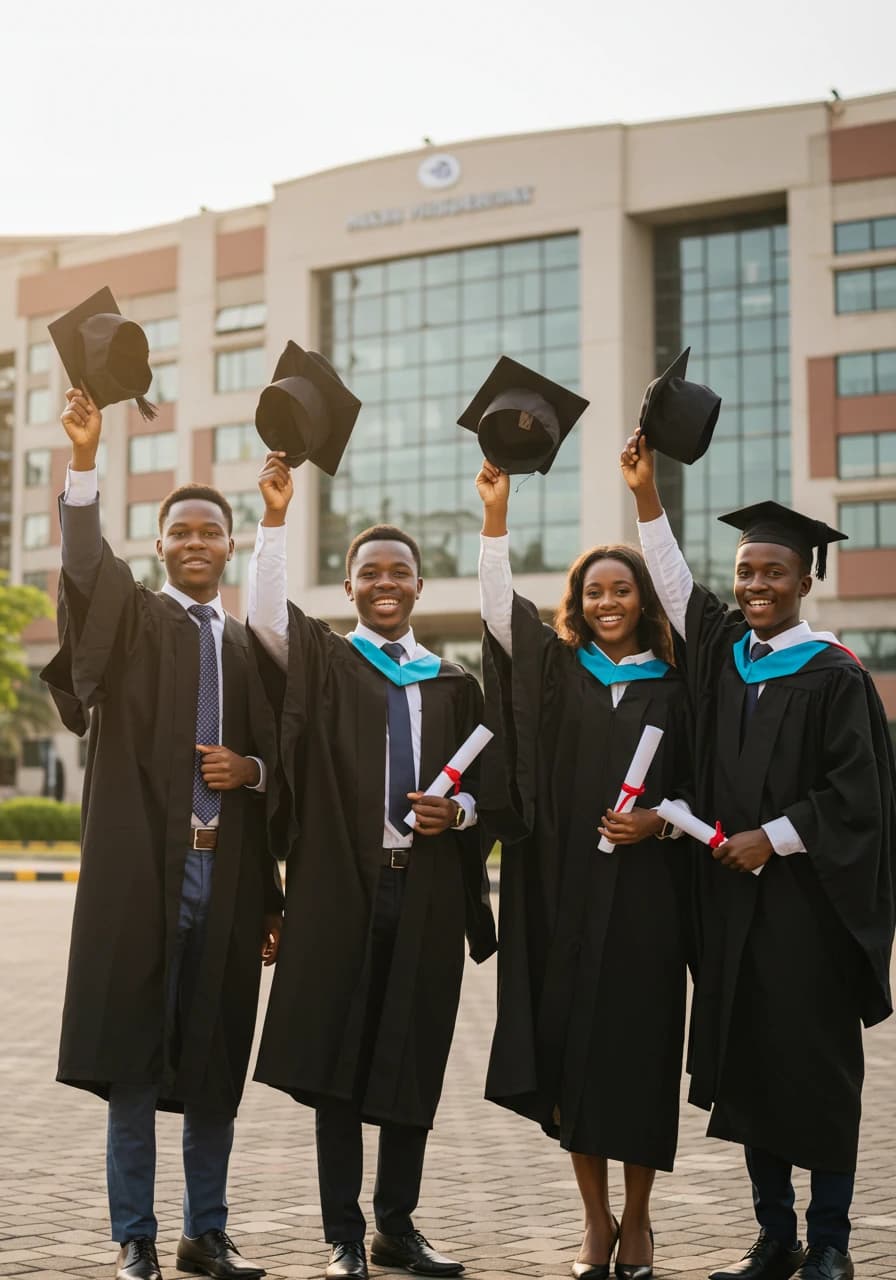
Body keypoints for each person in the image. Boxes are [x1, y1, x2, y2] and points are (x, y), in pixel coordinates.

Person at [621, 431, 896, 1280]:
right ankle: (775, 1237)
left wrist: (771, 838)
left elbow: (859, 797)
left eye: (773, 572)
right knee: (749, 1074)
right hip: (732, 910)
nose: (756, 586)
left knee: (814, 1075)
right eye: (745, 572)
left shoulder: (836, 675)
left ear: (807, 577)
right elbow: (674, 588)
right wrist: (646, 496)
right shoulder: (725, 654)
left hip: (808, 910)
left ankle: (833, 1242)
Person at [42, 388, 284, 1280]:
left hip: (227, 879)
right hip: (144, 877)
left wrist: (251, 774)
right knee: (136, 1058)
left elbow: (290, 762)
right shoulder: (136, 621)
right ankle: (136, 1235)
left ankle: (205, 1233)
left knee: (216, 1057)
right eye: (178, 530)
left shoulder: (255, 645)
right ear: (158, 545)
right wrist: (85, 462)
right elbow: (80, 564)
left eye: (208, 531)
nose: (193, 541)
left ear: (230, 546)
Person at [247, 451, 496, 1280]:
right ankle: (342, 1235)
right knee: (339, 1059)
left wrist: (457, 812)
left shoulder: (454, 683)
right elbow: (265, 621)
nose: (386, 582)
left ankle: (397, 1226)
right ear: (348, 588)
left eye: (401, 572)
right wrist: (276, 517)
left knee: (411, 1054)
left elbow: (491, 791)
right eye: (370, 572)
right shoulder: (326, 664)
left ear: (421, 588)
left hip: (424, 891)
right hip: (341, 889)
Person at [477, 459, 694, 1280]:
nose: (607, 604)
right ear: (580, 601)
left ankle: (638, 1220)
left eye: (622, 591)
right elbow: (502, 614)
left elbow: (704, 788)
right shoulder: (560, 669)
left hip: (645, 897)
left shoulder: (678, 687)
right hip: (564, 889)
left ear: (645, 600)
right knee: (571, 1055)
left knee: (636, 1055)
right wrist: (496, 517)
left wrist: (659, 822)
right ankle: (594, 1223)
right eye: (594, 592)